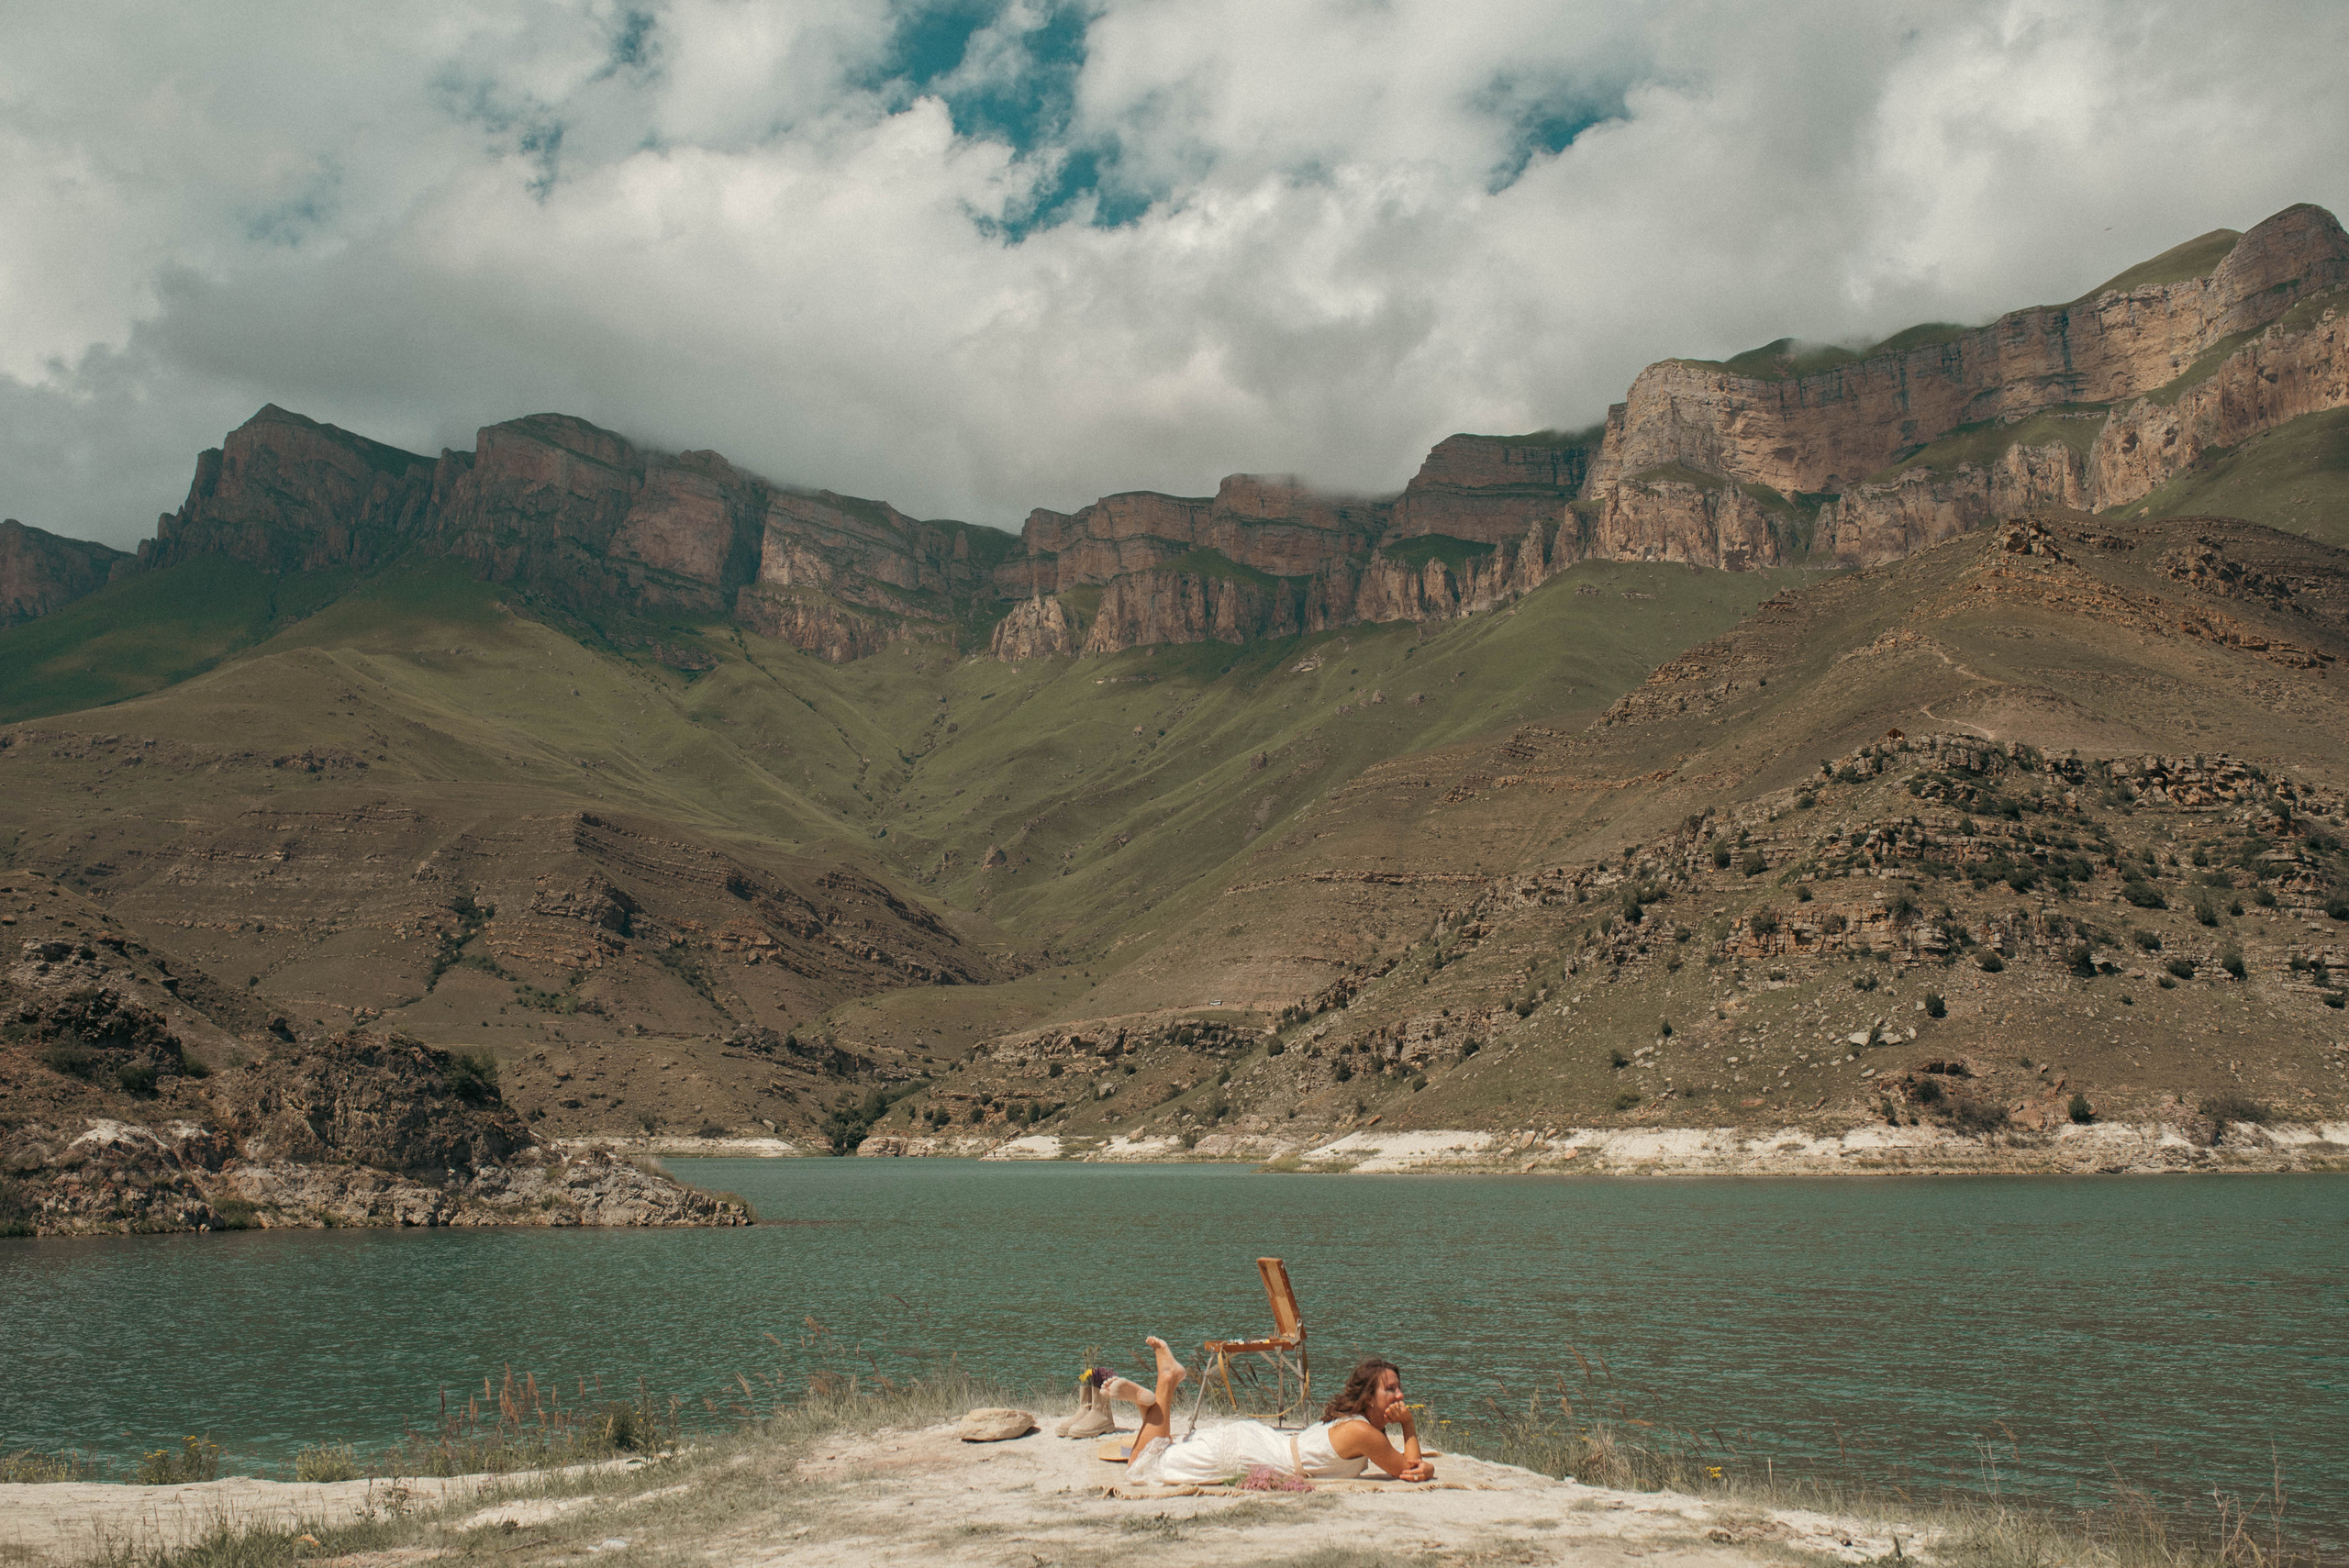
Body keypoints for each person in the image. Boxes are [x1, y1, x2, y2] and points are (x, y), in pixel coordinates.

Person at [1098, 1337, 1435, 1485]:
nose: (1400, 1394)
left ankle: (1150, 1407)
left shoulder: (1356, 1424)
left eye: (1398, 1386)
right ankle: (1165, 1385)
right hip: (1252, 1453)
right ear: (1369, 1398)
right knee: (1141, 1468)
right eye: (1390, 1389)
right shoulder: (1362, 1431)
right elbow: (1407, 1468)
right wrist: (1408, 1425)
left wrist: (1423, 1464)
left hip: (1259, 1443)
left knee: (1159, 1454)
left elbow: (1408, 1464)